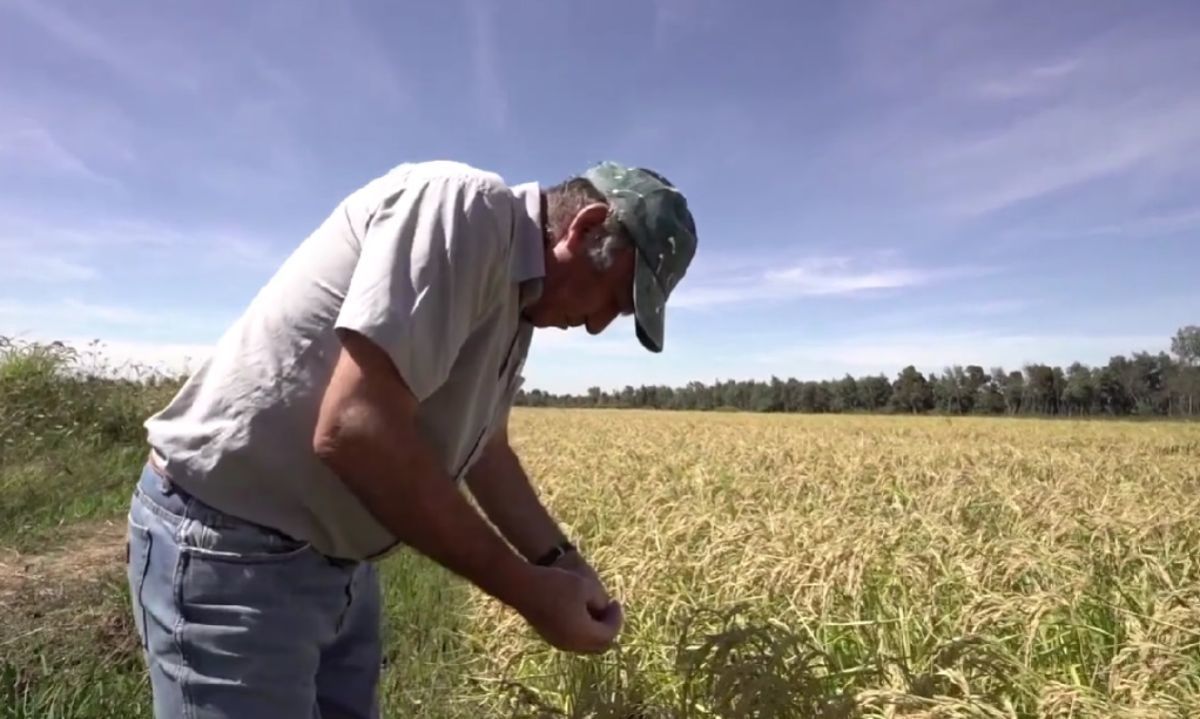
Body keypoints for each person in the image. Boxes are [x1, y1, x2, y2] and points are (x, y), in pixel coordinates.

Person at [124, 159, 699, 717]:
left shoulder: (519, 302)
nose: (599, 324)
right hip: (232, 553)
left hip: (337, 566)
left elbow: (486, 451)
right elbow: (355, 430)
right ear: (587, 226)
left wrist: (562, 562)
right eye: (613, 298)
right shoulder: (463, 210)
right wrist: (527, 591)